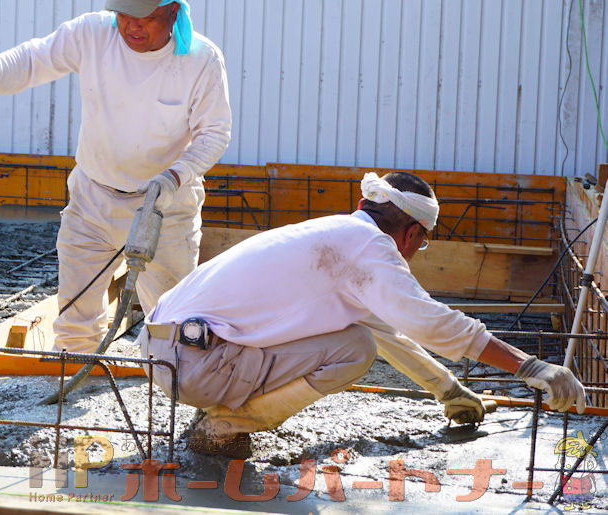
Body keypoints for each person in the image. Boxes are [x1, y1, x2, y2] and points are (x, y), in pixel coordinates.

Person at [140, 171, 588, 458]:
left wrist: (448, 390)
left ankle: (219, 408)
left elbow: (389, 328)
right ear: (412, 232)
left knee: (357, 335)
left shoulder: (338, 235)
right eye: (422, 242)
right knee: (354, 349)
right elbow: (430, 323)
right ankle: (224, 425)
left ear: (365, 206)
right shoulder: (370, 252)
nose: (417, 251)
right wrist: (528, 365)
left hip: (164, 353)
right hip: (198, 365)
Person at [0, 0, 232, 353]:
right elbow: (34, 58)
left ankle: (166, 394)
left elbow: (214, 132)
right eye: (125, 14)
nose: (131, 26)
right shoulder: (94, 34)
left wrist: (175, 176)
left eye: (144, 17)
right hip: (94, 199)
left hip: (165, 206)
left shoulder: (200, 60)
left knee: (172, 328)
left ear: (173, 11)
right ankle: (71, 380)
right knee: (74, 321)